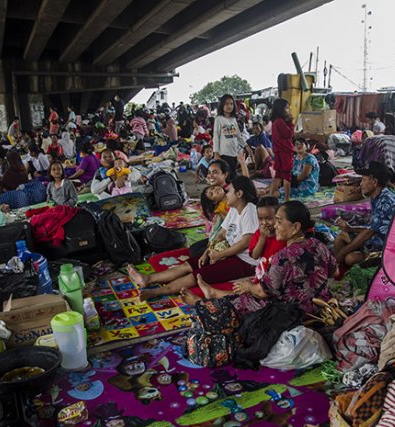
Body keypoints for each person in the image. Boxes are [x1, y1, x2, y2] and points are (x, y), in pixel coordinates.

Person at [182, 200, 338, 319]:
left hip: (294, 313)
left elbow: (262, 292)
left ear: (296, 227)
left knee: (247, 301)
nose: (275, 226)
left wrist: (249, 286)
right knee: (253, 290)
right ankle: (215, 293)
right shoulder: (319, 245)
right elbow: (335, 272)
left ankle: (201, 304)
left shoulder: (282, 256)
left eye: (279, 221)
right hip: (321, 306)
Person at [127, 176, 260, 300]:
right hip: (229, 251)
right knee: (191, 263)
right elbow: (220, 234)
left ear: (239, 194)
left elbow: (245, 243)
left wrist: (220, 255)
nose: (227, 193)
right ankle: (148, 279)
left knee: (198, 274)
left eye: (230, 191)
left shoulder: (249, 210)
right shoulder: (234, 209)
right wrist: (207, 252)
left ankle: (157, 292)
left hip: (245, 261)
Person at [333, 163, 395, 267]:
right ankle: (337, 269)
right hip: (378, 238)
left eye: (363, 180)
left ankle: (338, 265)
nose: (360, 184)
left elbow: (368, 233)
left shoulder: (386, 201)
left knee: (350, 258)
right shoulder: (378, 195)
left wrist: (341, 253)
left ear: (374, 182)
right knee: (341, 236)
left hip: (388, 248)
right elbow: (373, 227)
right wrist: (350, 229)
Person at [213, 94, 247, 175]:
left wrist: (247, 146)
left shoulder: (233, 119)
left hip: (234, 153)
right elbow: (216, 137)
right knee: (227, 175)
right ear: (222, 105)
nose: (229, 106)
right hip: (224, 153)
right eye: (226, 104)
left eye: (231, 104)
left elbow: (238, 136)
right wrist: (216, 153)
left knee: (232, 173)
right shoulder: (219, 119)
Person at [269, 98, 295, 201]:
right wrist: (291, 123)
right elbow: (289, 134)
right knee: (286, 175)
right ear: (282, 109)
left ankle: (271, 196)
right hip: (285, 150)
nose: (288, 110)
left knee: (278, 175)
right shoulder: (280, 121)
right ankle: (287, 199)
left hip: (278, 150)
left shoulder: (275, 121)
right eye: (287, 108)